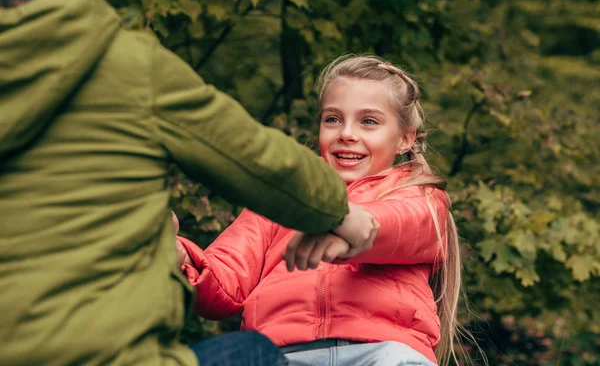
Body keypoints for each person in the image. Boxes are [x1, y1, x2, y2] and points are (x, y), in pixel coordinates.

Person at [0, 0, 380, 366]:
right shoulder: (126, 64)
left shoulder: (415, 193)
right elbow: (257, 159)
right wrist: (337, 210)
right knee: (254, 354)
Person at [176, 54, 466, 366]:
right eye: (333, 119)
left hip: (380, 353)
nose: (346, 133)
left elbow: (400, 224)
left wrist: (348, 225)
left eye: (369, 121)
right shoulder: (282, 196)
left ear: (405, 139)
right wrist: (175, 256)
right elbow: (225, 279)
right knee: (239, 349)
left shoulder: (418, 195)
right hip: (285, 356)